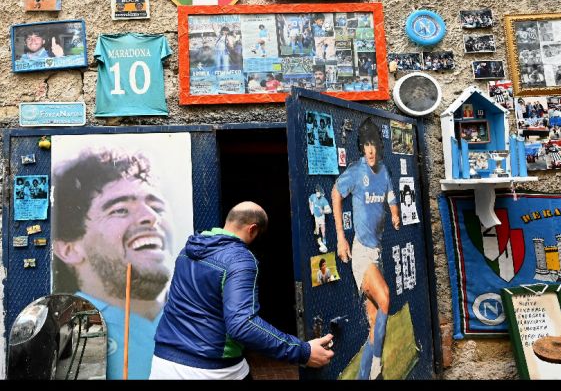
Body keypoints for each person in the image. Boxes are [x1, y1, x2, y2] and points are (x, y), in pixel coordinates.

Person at [151, 202, 334, 379]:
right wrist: (302, 352)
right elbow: (243, 325)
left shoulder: (187, 250)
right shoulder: (241, 261)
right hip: (211, 369)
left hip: (163, 362)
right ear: (252, 229)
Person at [52, 147, 174, 379]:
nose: (152, 216)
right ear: (69, 249)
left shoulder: (190, 314)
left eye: (156, 206)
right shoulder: (66, 329)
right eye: (120, 209)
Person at [332, 119, 400, 380]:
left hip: (377, 251)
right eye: (366, 146)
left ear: (379, 147)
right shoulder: (355, 171)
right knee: (384, 297)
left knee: (374, 326)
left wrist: (394, 215)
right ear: (362, 148)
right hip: (361, 252)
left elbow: (392, 199)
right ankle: (377, 364)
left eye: (373, 145)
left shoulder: (383, 172)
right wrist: (340, 237)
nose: (370, 151)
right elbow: (336, 194)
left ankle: (366, 377)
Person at [309, 185, 332, 253]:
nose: (317, 193)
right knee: (317, 230)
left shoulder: (324, 200)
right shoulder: (313, 196)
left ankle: (324, 239)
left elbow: (329, 210)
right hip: (316, 217)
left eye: (319, 192)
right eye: (317, 192)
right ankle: (321, 243)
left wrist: (323, 211)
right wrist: (311, 208)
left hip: (321, 217)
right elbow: (310, 199)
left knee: (323, 230)